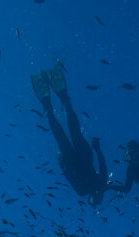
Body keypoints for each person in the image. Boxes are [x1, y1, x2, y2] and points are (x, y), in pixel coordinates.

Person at [31, 62, 108, 206]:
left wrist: (97, 149)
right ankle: (52, 107)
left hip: (78, 157)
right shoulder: (91, 187)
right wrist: (97, 149)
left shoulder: (94, 186)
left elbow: (71, 177)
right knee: (63, 134)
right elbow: (71, 176)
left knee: (72, 130)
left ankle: (62, 102)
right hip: (76, 158)